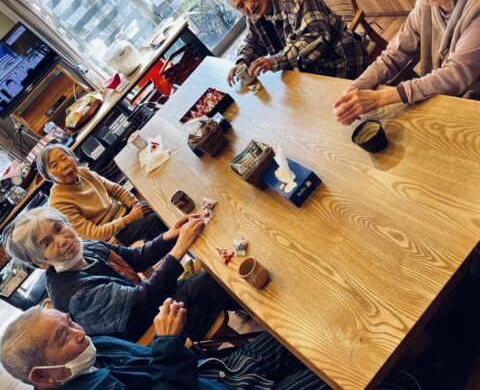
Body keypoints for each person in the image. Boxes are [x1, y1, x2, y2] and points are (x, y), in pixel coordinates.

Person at [0, 300, 422, 390]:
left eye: (70, 322)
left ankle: (409, 331)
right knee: (367, 376)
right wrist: (167, 343)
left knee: (309, 326)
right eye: (63, 337)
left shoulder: (94, 349)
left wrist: (176, 344)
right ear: (44, 377)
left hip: (221, 374)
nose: (79, 333)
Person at [2, 207, 238, 342]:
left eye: (59, 228)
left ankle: (242, 304)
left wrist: (171, 235)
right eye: (47, 243)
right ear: (41, 262)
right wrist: (179, 248)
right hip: (154, 332)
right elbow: (143, 299)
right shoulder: (75, 293)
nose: (62, 240)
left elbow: (136, 258)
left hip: (156, 308)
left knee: (214, 272)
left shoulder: (85, 247)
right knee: (214, 280)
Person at [333, 0, 479, 125]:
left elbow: (457, 73)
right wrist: (356, 87)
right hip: (447, 99)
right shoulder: (425, 6)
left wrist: (381, 98)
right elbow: (394, 55)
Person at [224, 0, 369, 84]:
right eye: (241, 6)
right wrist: (242, 62)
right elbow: (253, 42)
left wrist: (275, 60)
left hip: (338, 61)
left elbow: (317, 38)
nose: (249, 6)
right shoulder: (254, 13)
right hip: (304, 72)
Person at [37, 143, 167, 245]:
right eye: (54, 165)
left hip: (124, 213)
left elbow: (116, 189)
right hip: (111, 235)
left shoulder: (84, 172)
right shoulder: (58, 202)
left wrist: (135, 204)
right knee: (156, 219)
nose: (64, 165)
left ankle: (155, 244)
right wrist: (129, 218)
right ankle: (169, 255)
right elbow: (93, 234)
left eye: (64, 158)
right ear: (48, 176)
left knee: (158, 203)